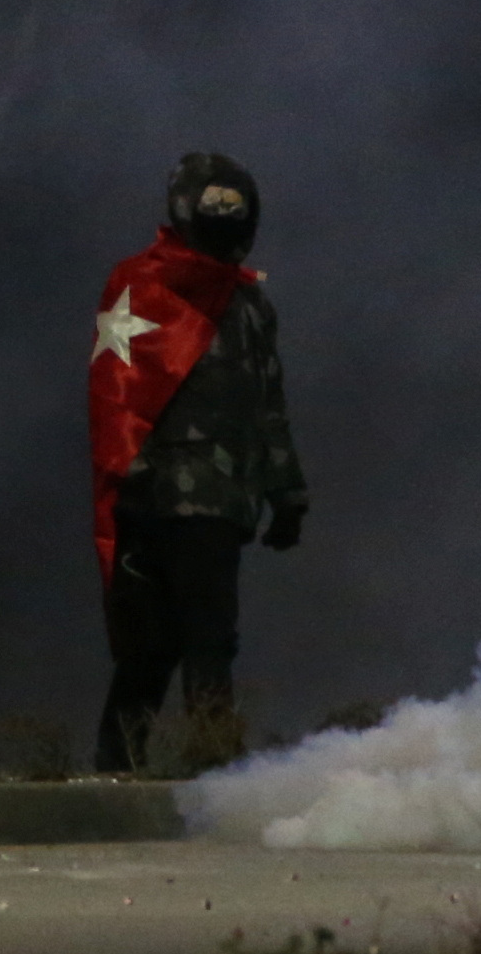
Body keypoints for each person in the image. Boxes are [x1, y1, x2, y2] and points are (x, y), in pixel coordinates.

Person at [86, 151, 307, 773]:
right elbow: (115, 389)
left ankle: (203, 770)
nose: (226, 220)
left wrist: (287, 493)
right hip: (156, 496)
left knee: (205, 639)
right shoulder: (143, 285)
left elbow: (267, 406)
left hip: (218, 501)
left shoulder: (248, 307)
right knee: (152, 645)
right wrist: (129, 473)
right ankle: (131, 769)